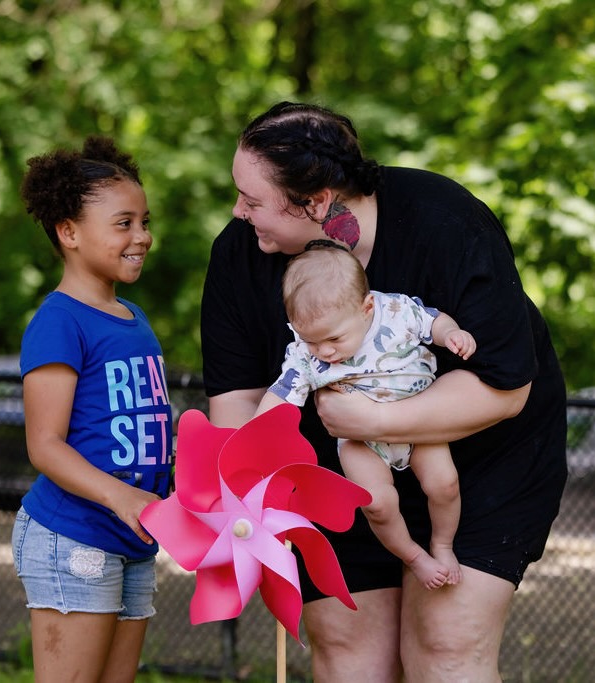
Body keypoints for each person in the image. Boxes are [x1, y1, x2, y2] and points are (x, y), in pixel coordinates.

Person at [200, 101, 567, 682]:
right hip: (340, 473)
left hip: (484, 457)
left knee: (444, 645)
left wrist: (370, 421)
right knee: (349, 647)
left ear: (317, 201)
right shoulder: (240, 254)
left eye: (252, 199)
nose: (238, 212)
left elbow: (504, 389)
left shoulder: (445, 221)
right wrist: (247, 495)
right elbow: (238, 404)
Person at [11, 136, 172, 683]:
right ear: (70, 232)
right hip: (73, 534)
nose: (143, 237)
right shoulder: (60, 321)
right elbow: (45, 445)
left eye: (144, 222)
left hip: (133, 537)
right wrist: (121, 495)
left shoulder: (134, 316)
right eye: (123, 224)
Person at [255, 243, 476, 590]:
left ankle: (442, 545)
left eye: (333, 338)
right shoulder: (305, 355)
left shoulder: (396, 312)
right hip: (360, 441)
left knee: (444, 484)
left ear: (366, 307)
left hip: (417, 423)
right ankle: (414, 556)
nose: (324, 351)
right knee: (377, 504)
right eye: (312, 341)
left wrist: (450, 334)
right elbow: (280, 396)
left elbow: (433, 320)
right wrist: (258, 438)